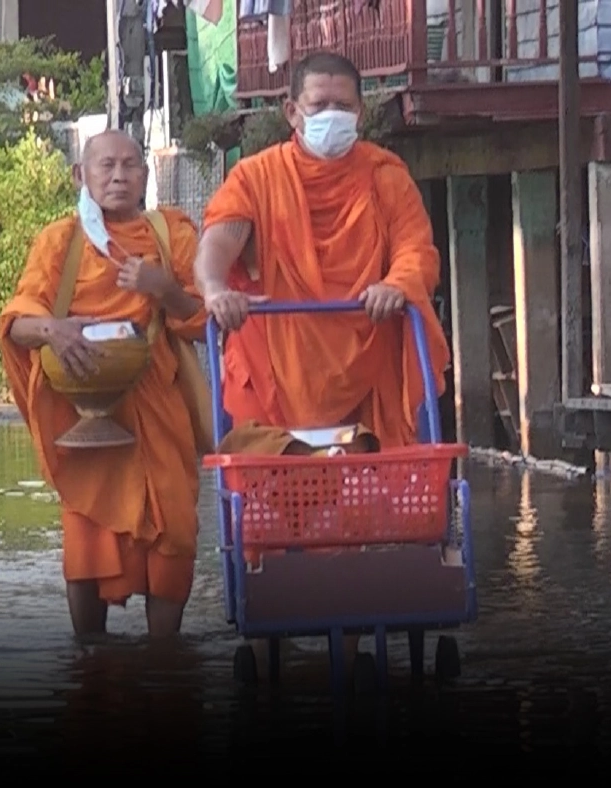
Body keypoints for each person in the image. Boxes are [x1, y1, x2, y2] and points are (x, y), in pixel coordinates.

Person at [193, 51, 451, 661]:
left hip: (365, 366)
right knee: (265, 507)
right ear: (291, 111)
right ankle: (271, 622)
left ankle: (354, 632)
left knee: (359, 507)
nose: (332, 116)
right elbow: (219, 241)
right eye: (319, 106)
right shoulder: (257, 177)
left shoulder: (386, 176)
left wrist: (398, 285)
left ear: (361, 112)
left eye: (343, 106)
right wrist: (214, 289)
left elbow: (418, 252)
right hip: (277, 371)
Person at [0, 129, 209, 640]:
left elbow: (204, 318)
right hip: (87, 419)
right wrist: (54, 328)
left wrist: (164, 290)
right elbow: (16, 322)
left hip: (159, 409)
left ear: (145, 174)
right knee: (89, 535)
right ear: (80, 176)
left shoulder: (172, 234)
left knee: (175, 528)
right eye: (106, 166)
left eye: (131, 166)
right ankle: (89, 662)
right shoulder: (61, 241)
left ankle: (166, 661)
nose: (119, 176)